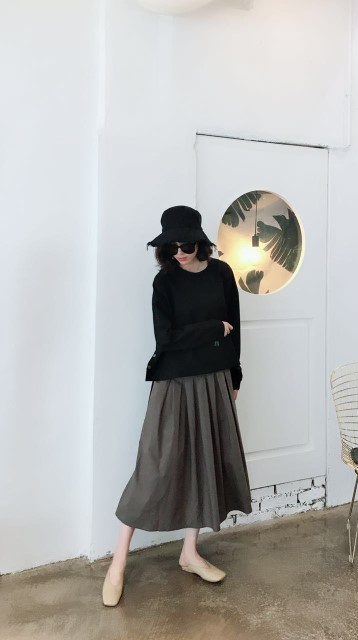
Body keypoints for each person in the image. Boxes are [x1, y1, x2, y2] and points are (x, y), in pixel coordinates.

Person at [102, 206, 252, 607]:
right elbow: (166, 339)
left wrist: (235, 375)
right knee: (155, 466)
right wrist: (212, 329)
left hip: (216, 377)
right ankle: (118, 562)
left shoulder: (221, 274)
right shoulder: (165, 281)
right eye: (172, 247)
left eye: (186, 245)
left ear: (201, 242)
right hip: (174, 382)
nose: (180, 253)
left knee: (205, 460)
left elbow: (236, 328)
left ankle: (190, 553)